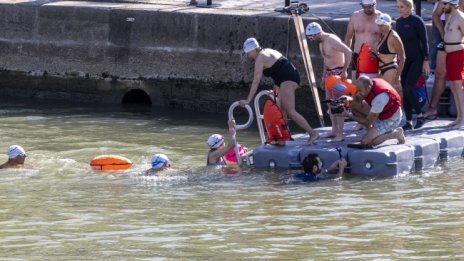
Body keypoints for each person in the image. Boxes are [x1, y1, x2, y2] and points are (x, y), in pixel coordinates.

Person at [239, 37, 319, 145]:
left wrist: (248, 100)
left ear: (253, 50)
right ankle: (284, 137)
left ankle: (313, 133)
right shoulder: (267, 51)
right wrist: (276, 88)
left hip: (287, 80)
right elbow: (279, 68)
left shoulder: (260, 58)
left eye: (248, 53)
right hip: (286, 79)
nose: (248, 55)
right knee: (280, 109)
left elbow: (256, 81)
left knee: (291, 111)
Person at [306, 22, 352, 141]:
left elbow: (348, 52)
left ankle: (340, 134)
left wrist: (345, 71)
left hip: (338, 73)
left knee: (339, 104)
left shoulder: (331, 40)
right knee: (330, 103)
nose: (311, 40)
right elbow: (326, 61)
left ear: (317, 33)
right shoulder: (321, 42)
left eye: (311, 37)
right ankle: (334, 130)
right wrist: (323, 78)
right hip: (329, 75)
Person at [343, 76, 405, 146]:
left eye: (359, 91)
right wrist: (347, 99)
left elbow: (368, 122)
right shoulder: (369, 83)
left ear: (368, 88)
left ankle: (395, 134)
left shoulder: (379, 98)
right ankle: (373, 132)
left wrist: (348, 115)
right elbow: (357, 99)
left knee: (367, 143)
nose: (357, 93)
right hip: (381, 111)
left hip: (391, 118)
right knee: (354, 105)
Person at [396, 0, 430, 130]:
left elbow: (424, 41)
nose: (399, 9)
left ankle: (420, 116)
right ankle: (408, 121)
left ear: (409, 7)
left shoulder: (417, 21)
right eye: (398, 7)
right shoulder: (398, 22)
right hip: (404, 60)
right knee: (404, 89)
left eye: (402, 7)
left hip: (417, 59)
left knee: (409, 87)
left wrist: (425, 61)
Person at [345, 0, 382, 80]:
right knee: (356, 84)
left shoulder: (381, 17)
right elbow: (348, 37)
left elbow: (386, 39)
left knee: (374, 84)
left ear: (375, 4)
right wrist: (347, 55)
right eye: (364, 6)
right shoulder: (355, 16)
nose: (367, 9)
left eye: (369, 6)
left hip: (374, 57)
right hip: (357, 56)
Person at [424, 0, 448, 119]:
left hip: (458, 43)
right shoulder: (444, 4)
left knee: (456, 81)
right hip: (446, 31)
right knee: (439, 75)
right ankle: (432, 108)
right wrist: (444, 34)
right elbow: (435, 14)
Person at [442, 0, 464, 129]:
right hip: (449, 55)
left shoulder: (460, 17)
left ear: (452, 4)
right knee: (453, 87)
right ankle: (459, 117)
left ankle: (463, 118)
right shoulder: (450, 17)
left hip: (458, 55)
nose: (443, 6)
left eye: (445, 4)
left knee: (458, 86)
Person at [375, 13, 406, 96]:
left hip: (390, 70)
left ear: (389, 24)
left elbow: (403, 58)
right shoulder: (383, 35)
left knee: (391, 97)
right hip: (383, 70)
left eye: (383, 25)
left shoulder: (394, 37)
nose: (381, 28)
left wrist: (397, 78)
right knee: (385, 97)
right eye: (379, 25)